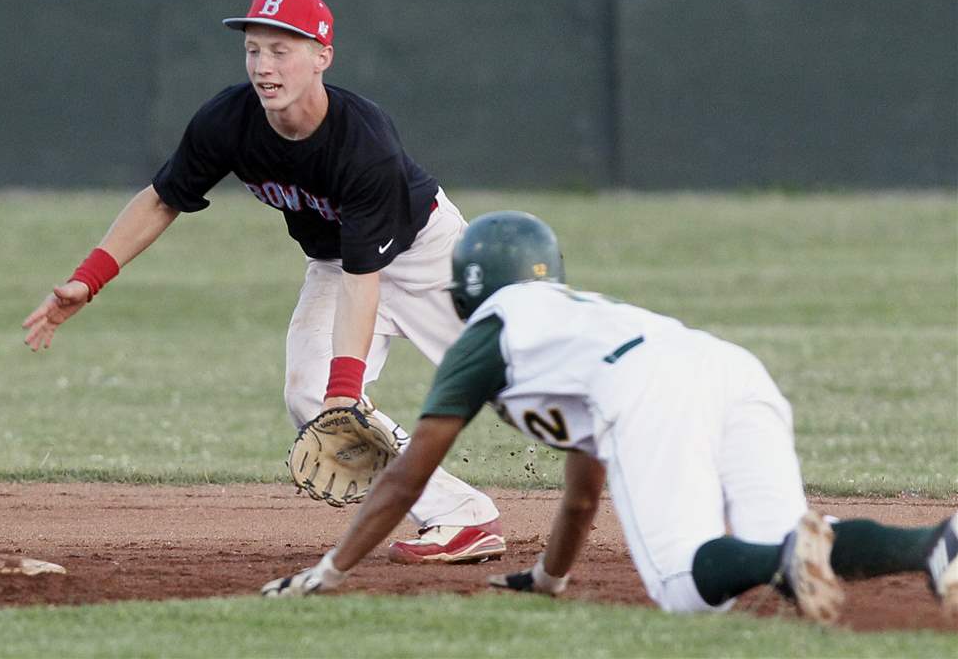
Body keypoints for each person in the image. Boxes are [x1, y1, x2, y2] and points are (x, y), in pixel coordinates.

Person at [260, 210, 958, 626]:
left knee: (688, 588)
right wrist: (551, 578)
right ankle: (933, 544)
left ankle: (789, 556)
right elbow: (583, 490)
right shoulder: (573, 324)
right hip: (730, 368)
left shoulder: (489, 336)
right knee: (789, 543)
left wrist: (332, 568)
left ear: (467, 285)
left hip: (653, 388)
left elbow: (409, 477)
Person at [21, 0, 504, 564]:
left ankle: (630, 442)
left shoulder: (363, 141)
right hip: (336, 262)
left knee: (517, 376)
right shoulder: (228, 121)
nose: (263, 66)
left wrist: (347, 391)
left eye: (281, 50)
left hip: (427, 254)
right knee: (310, 397)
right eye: (253, 50)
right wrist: (89, 278)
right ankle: (460, 517)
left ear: (322, 56)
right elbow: (162, 198)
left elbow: (365, 277)